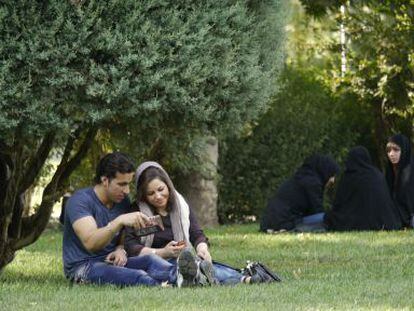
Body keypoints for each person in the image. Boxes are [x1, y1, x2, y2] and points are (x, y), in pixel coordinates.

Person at [125, 161, 279, 285]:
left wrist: (202, 248)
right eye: (151, 193)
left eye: (161, 189)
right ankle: (246, 279)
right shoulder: (137, 212)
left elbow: (196, 234)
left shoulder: (181, 206)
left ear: (168, 186)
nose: (158, 196)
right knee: (194, 269)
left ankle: (244, 278)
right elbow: (131, 246)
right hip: (157, 263)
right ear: (143, 196)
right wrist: (162, 252)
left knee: (206, 266)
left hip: (183, 258)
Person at [62, 152, 190, 287]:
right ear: (105, 181)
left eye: (128, 184)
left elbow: (123, 235)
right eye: (122, 184)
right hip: (83, 266)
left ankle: (187, 277)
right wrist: (119, 221)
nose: (127, 190)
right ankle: (162, 287)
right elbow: (91, 242)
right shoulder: (79, 201)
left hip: (113, 261)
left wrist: (120, 249)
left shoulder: (122, 201)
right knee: (136, 275)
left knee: (151, 261)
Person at [324, 146, 402, 231]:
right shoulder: (377, 175)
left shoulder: (348, 177)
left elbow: (339, 204)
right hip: (383, 221)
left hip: (354, 221)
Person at [260, 154, 339, 233]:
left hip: (269, 223)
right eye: (331, 175)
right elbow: (317, 211)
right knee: (328, 217)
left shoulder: (300, 178)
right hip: (285, 223)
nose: (332, 180)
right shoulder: (313, 183)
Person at [385, 134, 414, 228]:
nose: (391, 154)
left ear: (404, 150)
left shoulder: (410, 170)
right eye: (388, 151)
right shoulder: (390, 171)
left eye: (396, 150)